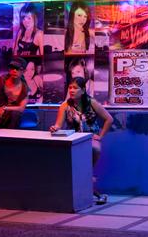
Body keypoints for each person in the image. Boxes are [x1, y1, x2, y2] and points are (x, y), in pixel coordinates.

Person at [50, 76, 113, 204]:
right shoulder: (65, 105)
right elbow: (58, 124)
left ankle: (90, 188)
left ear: (83, 90)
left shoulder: (92, 102)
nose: (72, 90)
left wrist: (100, 136)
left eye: (75, 88)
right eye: (70, 88)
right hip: (73, 139)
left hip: (90, 138)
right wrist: (54, 128)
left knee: (93, 152)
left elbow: (109, 119)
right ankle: (88, 191)